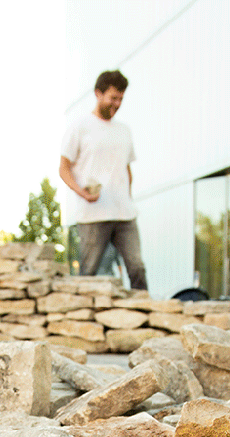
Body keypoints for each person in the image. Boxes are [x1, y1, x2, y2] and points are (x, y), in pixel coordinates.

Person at [59, 69, 149, 291]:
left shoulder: (124, 130)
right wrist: (82, 193)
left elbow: (126, 170)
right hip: (93, 215)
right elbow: (63, 169)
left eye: (121, 99)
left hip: (125, 214)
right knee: (88, 272)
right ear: (98, 94)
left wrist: (128, 197)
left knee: (137, 268)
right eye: (113, 97)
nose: (117, 104)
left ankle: (145, 317)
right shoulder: (80, 127)